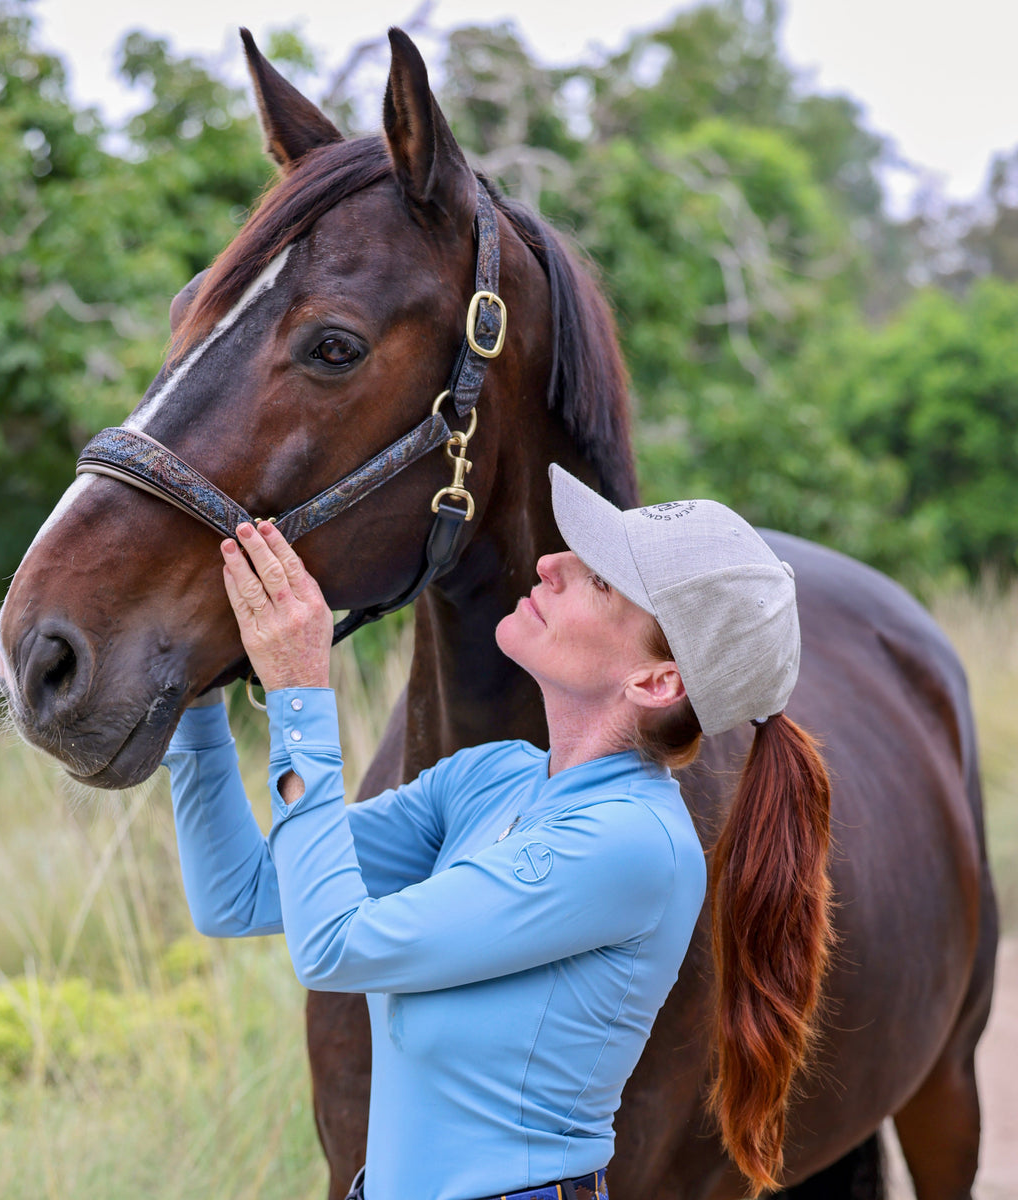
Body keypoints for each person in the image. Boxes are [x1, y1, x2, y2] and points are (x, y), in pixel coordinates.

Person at [164, 464, 833, 1200]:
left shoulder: (633, 845)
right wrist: (194, 695)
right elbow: (241, 894)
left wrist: (299, 694)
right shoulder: (493, 779)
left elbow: (334, 946)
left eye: (600, 581)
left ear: (656, 682)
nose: (550, 562)